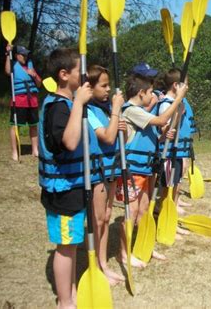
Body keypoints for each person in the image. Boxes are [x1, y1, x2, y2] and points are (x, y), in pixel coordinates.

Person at [38, 48, 96, 309]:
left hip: (72, 187)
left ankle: (71, 292)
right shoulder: (58, 108)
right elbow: (70, 141)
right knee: (65, 246)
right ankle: (65, 302)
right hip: (62, 190)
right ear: (64, 75)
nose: (83, 78)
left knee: (72, 244)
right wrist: (80, 103)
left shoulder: (67, 105)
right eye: (78, 72)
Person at [118, 72, 187, 266]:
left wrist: (164, 136)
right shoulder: (131, 110)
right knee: (130, 212)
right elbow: (160, 119)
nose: (153, 97)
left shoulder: (142, 112)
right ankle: (123, 253)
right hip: (133, 171)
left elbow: (151, 137)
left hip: (146, 168)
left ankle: (144, 244)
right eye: (150, 93)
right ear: (141, 93)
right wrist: (178, 98)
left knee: (143, 210)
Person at [86, 65, 126, 285]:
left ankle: (103, 264)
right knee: (98, 219)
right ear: (90, 88)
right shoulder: (89, 112)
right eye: (104, 85)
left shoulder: (102, 109)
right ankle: (96, 266)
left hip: (111, 169)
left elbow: (120, 137)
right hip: (98, 172)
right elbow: (108, 138)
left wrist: (122, 126)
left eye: (109, 84)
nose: (108, 89)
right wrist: (116, 110)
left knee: (107, 216)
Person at [154, 68, 193, 236]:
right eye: (186, 85)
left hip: (176, 154)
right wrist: (178, 111)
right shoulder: (166, 104)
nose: (188, 88)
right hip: (168, 154)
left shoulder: (178, 103)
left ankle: (172, 221)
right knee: (167, 192)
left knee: (174, 190)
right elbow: (165, 129)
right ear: (176, 85)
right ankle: (164, 224)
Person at [5, 45, 42, 160]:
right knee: (15, 126)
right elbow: (7, 71)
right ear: (17, 55)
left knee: (33, 126)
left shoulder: (30, 66)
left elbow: (39, 84)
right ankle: (15, 152)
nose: (25, 56)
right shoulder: (13, 65)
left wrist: (34, 75)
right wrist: (7, 54)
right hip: (19, 100)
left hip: (32, 100)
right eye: (23, 54)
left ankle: (35, 150)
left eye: (26, 54)